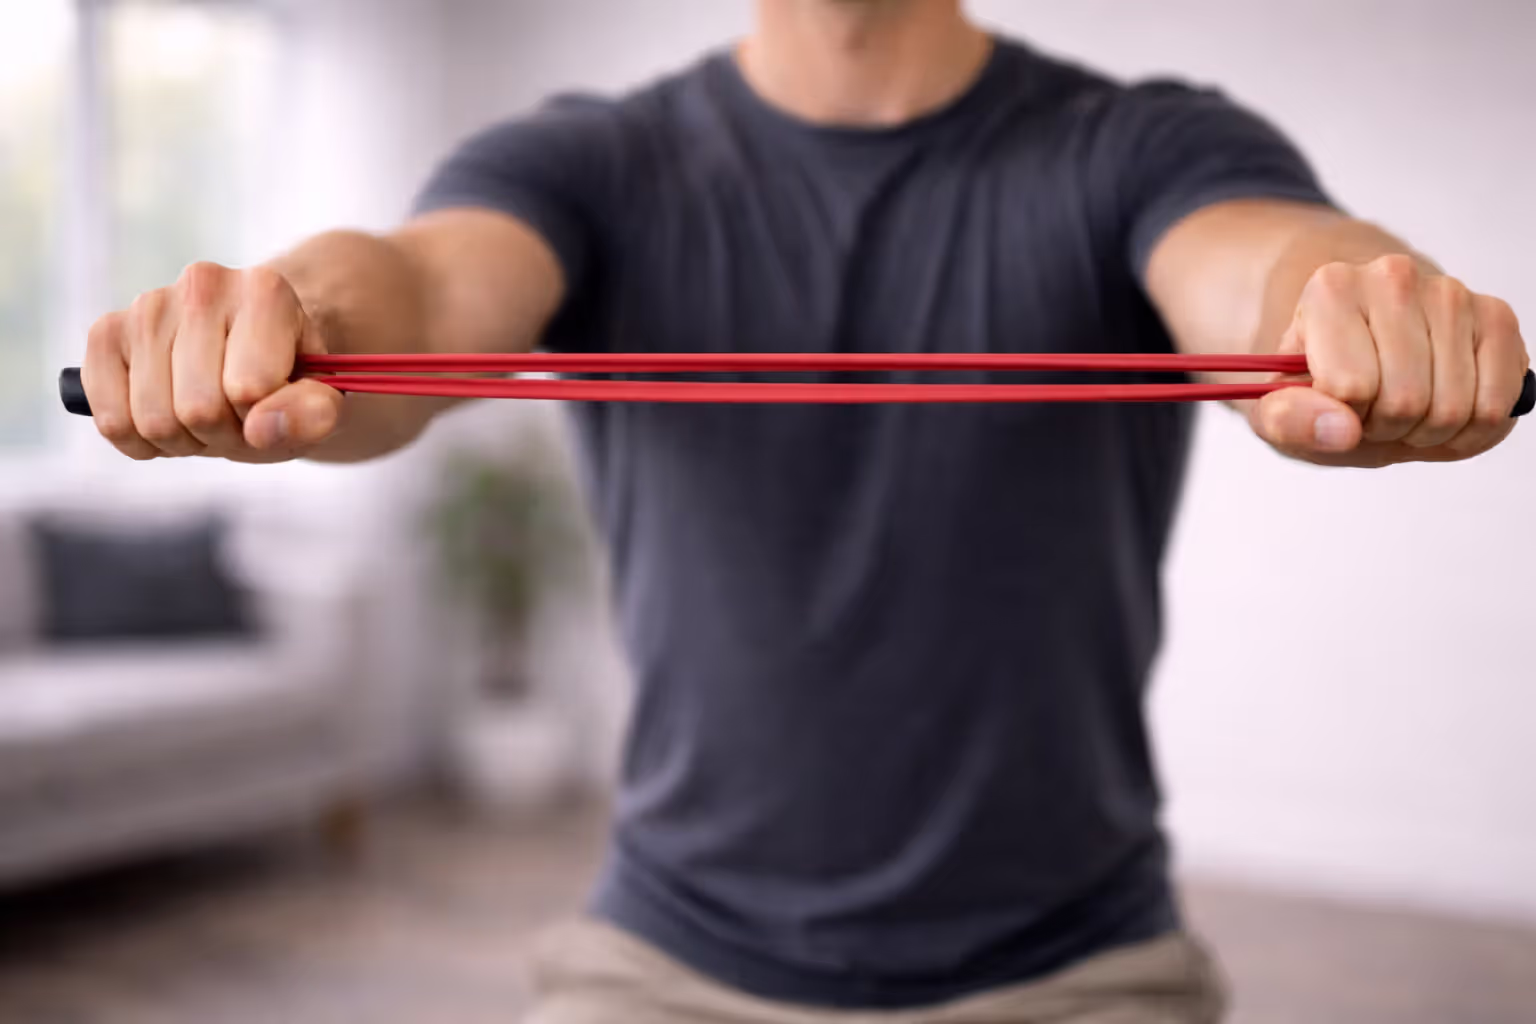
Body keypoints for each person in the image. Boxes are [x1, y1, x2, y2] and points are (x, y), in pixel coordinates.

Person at [78, 1, 1527, 1021]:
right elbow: (412, 289)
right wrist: (291, 320)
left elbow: (1272, 269)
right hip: (662, 966)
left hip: (1082, 972)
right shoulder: (584, 162)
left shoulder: (1144, 145)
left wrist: (1354, 312)